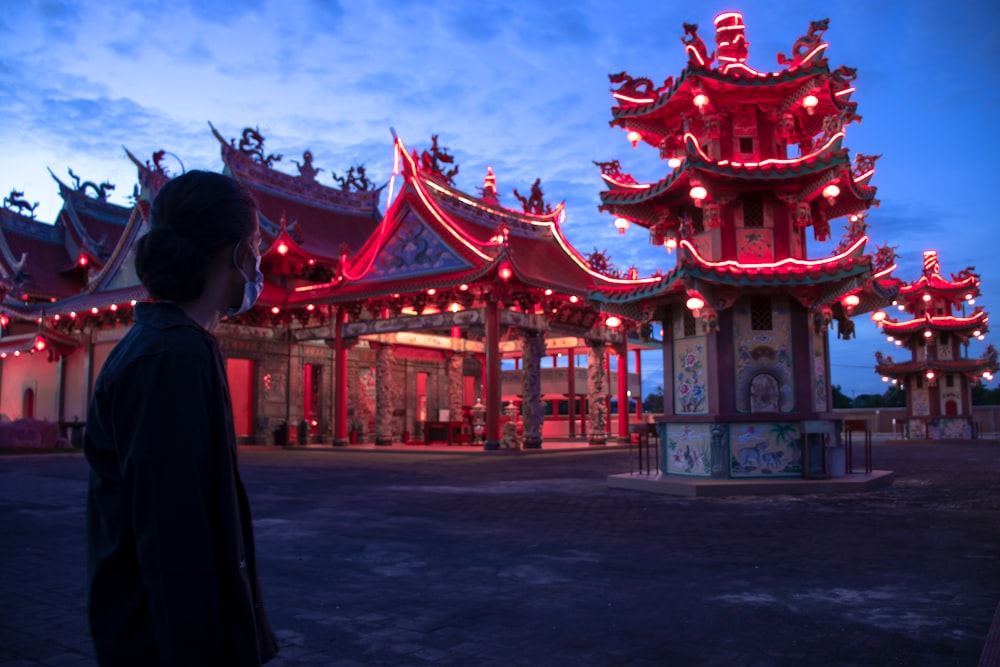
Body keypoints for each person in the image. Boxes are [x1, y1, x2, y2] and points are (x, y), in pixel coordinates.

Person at [85, 170, 278, 665]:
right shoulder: (168, 359)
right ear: (237, 253)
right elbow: (172, 534)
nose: (259, 260)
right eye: (255, 243)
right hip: (159, 641)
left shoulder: (179, 346)